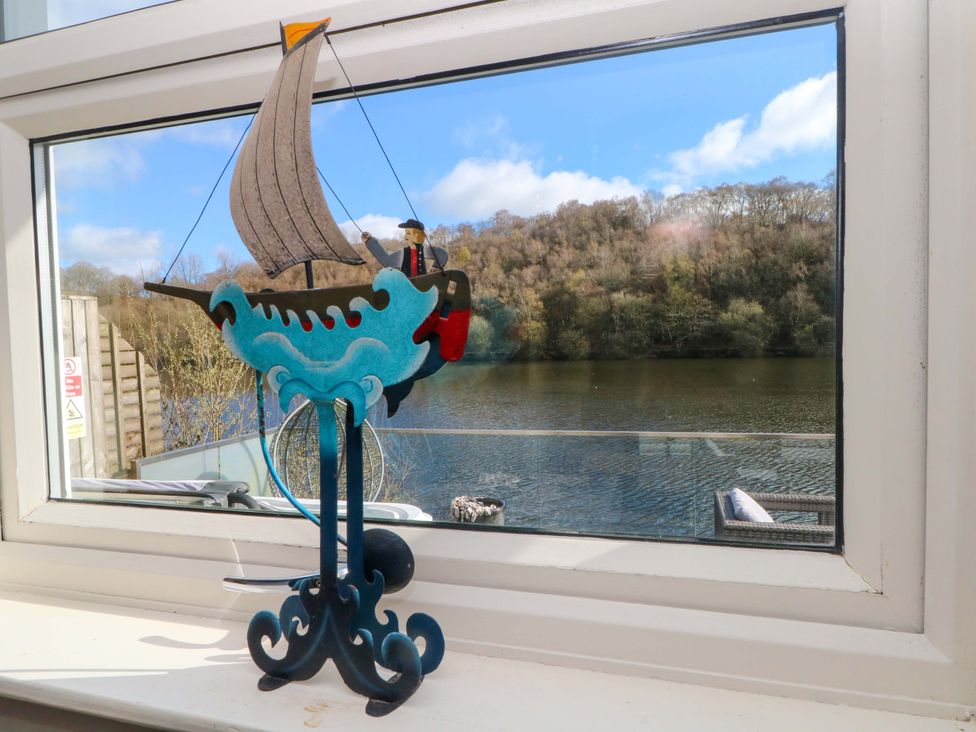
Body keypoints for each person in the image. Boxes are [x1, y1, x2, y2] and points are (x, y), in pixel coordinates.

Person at [361, 218, 448, 276]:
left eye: (408, 233)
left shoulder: (424, 250)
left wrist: (436, 267)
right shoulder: (403, 253)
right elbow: (387, 261)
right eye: (406, 233)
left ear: (417, 236)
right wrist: (370, 241)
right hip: (407, 287)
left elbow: (442, 254)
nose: (405, 237)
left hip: (423, 286)